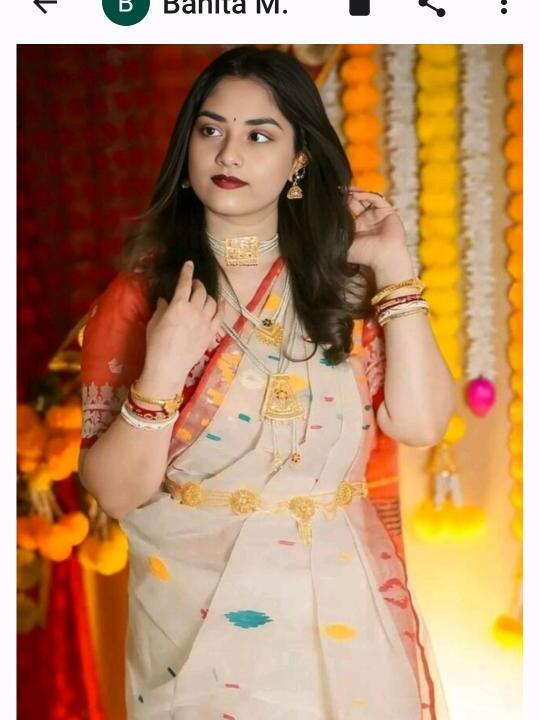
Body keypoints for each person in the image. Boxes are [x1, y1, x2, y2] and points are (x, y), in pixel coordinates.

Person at [79, 45, 455, 720]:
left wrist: (395, 269)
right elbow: (114, 491)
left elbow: (422, 423)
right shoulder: (141, 299)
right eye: (211, 129)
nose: (229, 153)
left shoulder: (344, 290)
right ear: (187, 146)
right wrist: (161, 369)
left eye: (259, 135)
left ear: (299, 159)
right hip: (192, 634)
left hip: (337, 624)